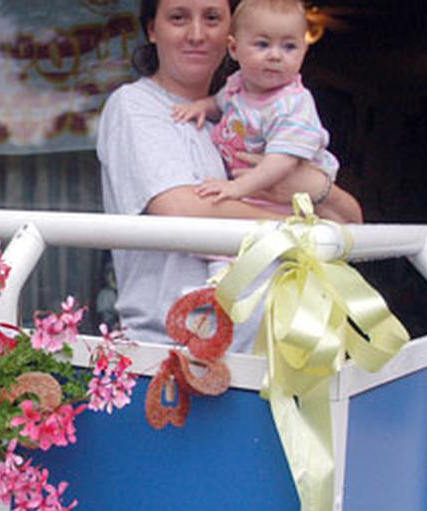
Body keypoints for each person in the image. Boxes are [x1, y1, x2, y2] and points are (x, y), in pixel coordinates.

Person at [97, 0, 362, 349]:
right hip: (177, 354)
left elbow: (352, 226)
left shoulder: (251, 113)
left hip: (276, 352)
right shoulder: (135, 105)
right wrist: (301, 232)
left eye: (212, 18)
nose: (196, 34)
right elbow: (181, 208)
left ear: (231, 34)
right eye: (178, 18)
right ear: (152, 30)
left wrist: (314, 187)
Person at [172, 0, 337, 206]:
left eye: (289, 47)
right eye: (262, 44)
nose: (275, 56)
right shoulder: (238, 84)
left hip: (290, 200)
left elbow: (282, 162)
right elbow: (220, 102)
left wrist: (237, 188)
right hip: (254, 191)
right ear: (233, 48)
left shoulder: (293, 104)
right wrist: (201, 107)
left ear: (304, 51)